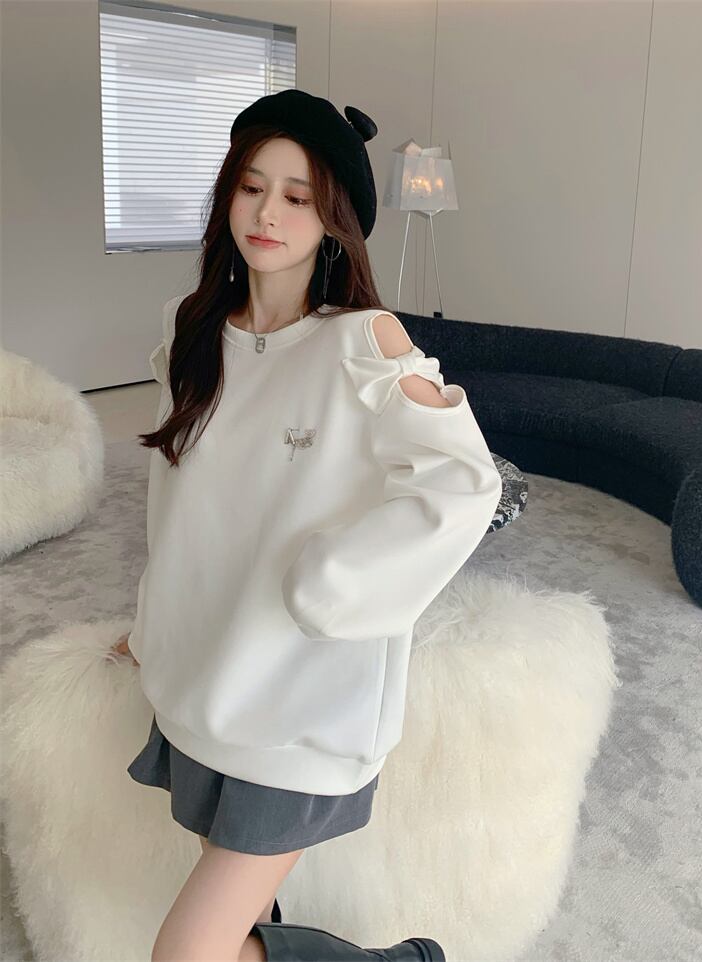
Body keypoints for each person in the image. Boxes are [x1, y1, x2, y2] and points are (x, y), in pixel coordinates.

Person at [120, 88, 502, 962]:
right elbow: (177, 507)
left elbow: (463, 482)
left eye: (298, 197)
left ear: (334, 220)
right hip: (205, 679)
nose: (268, 214)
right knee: (242, 922)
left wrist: (336, 582)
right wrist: (151, 623)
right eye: (253, 187)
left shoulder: (365, 343)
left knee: (188, 953)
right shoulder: (194, 333)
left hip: (302, 702)